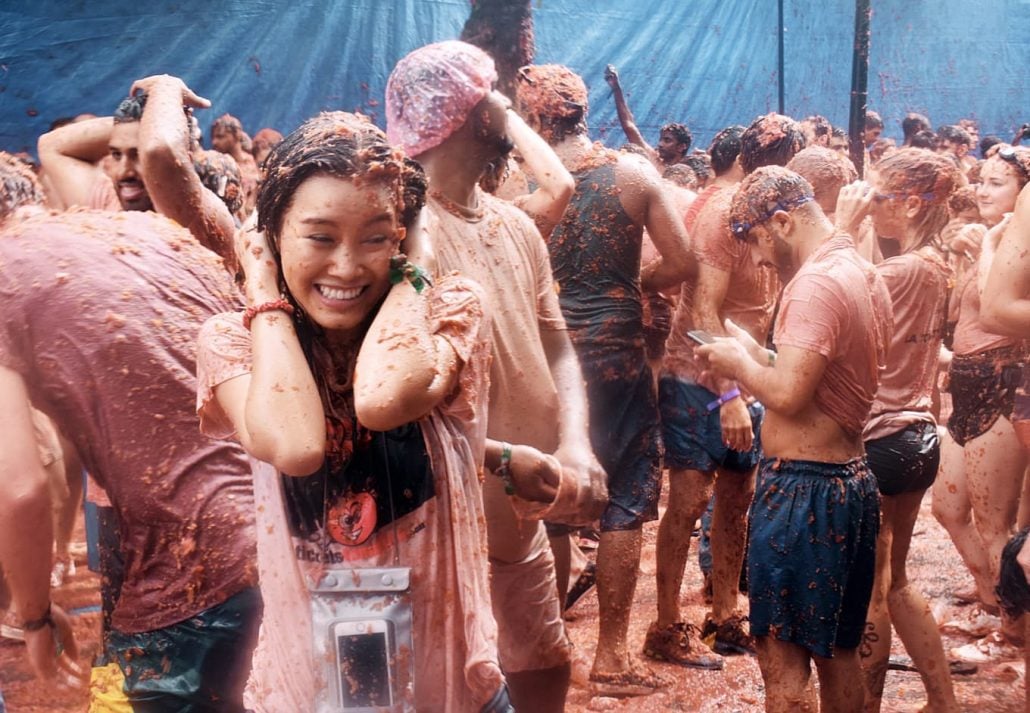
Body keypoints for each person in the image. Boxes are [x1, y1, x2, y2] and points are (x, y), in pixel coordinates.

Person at [197, 110, 513, 712]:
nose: (346, 266)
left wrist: (412, 271)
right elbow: (295, 446)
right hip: (306, 684)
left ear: (406, 235)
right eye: (319, 237)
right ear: (270, 236)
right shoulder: (235, 341)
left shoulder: (446, 309)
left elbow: (384, 398)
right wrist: (264, 292)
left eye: (377, 237)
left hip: (448, 678)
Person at [386, 42, 608, 713]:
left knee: (545, 664)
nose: (513, 111)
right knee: (454, 686)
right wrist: (502, 114)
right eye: (497, 96)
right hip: (443, 521)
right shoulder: (401, 231)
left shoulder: (515, 225)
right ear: (472, 110)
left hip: (523, 511)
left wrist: (576, 443)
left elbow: (559, 349)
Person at [0, 156, 259, 709]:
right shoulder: (132, 227)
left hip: (187, 581)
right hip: (286, 531)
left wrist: (36, 620)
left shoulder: (2, 278)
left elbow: (19, 488)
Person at [516, 62, 696, 696]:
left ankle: (551, 644)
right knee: (625, 498)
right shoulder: (635, 173)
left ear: (532, 118)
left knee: (548, 500)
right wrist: (629, 286)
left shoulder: (514, 185)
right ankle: (613, 655)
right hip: (616, 353)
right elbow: (681, 261)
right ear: (583, 108)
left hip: (544, 359)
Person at [696, 166, 891, 713]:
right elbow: (823, 375)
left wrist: (738, 362)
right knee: (838, 653)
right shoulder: (857, 268)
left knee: (783, 659)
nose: (757, 261)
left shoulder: (813, 284)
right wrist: (758, 354)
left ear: (781, 222)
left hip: (805, 492)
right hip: (849, 482)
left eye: (757, 243)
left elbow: (785, 394)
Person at [833, 148, 962, 712]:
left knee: (872, 587)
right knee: (899, 579)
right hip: (917, 434)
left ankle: (867, 706)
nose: (869, 206)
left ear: (911, 205)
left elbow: (833, 297)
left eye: (877, 197)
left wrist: (842, 227)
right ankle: (942, 700)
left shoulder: (901, 270)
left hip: (883, 437)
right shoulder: (933, 263)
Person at [932, 146, 1030, 660]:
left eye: (999, 183)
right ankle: (995, 599)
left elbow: (997, 312)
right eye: (982, 180)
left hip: (1001, 383)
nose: (983, 190)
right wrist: (962, 254)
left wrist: (988, 243)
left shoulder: (1016, 242)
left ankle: (1013, 631)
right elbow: (956, 310)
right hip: (966, 386)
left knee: (998, 525)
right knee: (947, 508)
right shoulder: (986, 240)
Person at [37, 74, 236, 269]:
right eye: (116, 154)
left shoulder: (199, 214)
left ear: (185, 162)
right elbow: (50, 145)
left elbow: (159, 150)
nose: (124, 172)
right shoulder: (108, 203)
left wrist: (166, 85)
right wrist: (128, 125)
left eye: (138, 155)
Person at [604, 64, 691, 168]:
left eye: (667, 140)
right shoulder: (654, 161)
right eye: (661, 139)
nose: (660, 144)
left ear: (681, 147)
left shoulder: (692, 173)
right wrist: (616, 88)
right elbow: (629, 126)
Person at [210, 112, 260, 215]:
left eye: (220, 137)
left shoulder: (256, 161)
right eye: (214, 138)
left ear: (236, 134)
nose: (214, 142)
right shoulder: (218, 168)